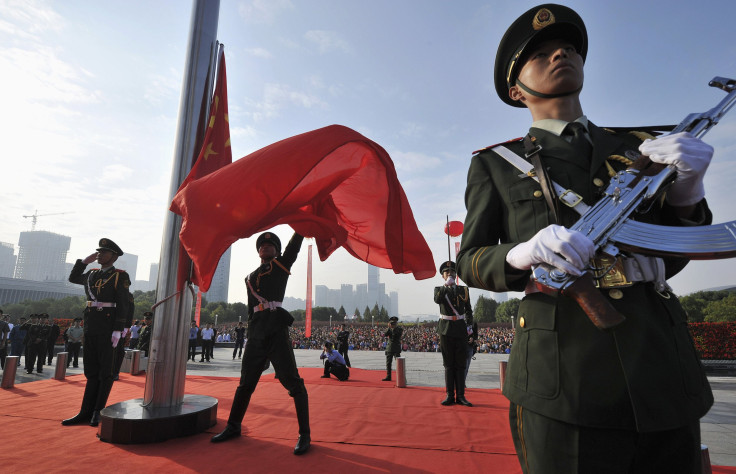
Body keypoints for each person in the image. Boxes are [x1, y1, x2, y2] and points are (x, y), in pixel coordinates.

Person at [456, 5, 714, 472]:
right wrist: (521, 252)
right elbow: (470, 261)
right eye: (540, 53)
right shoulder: (496, 164)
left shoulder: (642, 148)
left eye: (570, 47)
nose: (560, 53)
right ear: (516, 90)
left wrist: (688, 190)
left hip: (658, 361)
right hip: (564, 374)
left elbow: (675, 254)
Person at [211, 231, 311, 456]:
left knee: (292, 382)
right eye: (262, 245)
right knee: (245, 383)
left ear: (277, 250)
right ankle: (233, 426)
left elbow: (294, 247)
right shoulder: (249, 277)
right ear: (258, 251)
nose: (265, 247)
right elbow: (249, 310)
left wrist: (301, 226)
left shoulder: (281, 265)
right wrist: (250, 333)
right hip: (256, 332)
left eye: (270, 244)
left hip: (276, 330)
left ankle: (304, 433)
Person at [62, 238, 131, 427]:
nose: (99, 254)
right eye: (98, 252)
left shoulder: (119, 276)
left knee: (105, 372)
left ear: (113, 256)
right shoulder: (92, 274)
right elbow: (74, 278)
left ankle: (97, 411)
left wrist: (119, 329)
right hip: (91, 326)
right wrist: (84, 262)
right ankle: (85, 411)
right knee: (91, 372)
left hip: (108, 329)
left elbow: (124, 303)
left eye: (104, 252)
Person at [433, 261, 473, 407]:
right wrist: (446, 287)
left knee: (461, 364)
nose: (450, 274)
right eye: (447, 273)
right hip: (445, 329)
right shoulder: (439, 289)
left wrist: (469, 325)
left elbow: (468, 310)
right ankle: (450, 395)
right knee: (449, 364)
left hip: (460, 329)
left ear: (456, 275)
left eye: (452, 272)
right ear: (443, 276)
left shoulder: (464, 290)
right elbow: (438, 299)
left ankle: (461, 396)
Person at [382, 316, 403, 381]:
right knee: (388, 363)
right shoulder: (389, 329)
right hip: (389, 348)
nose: (393, 324)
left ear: (397, 323)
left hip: (396, 348)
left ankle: (400, 377)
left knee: (398, 363)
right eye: (392, 323)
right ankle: (388, 376)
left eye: (394, 323)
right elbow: (385, 334)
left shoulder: (399, 329)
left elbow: (397, 335)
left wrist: (394, 328)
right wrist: (389, 327)